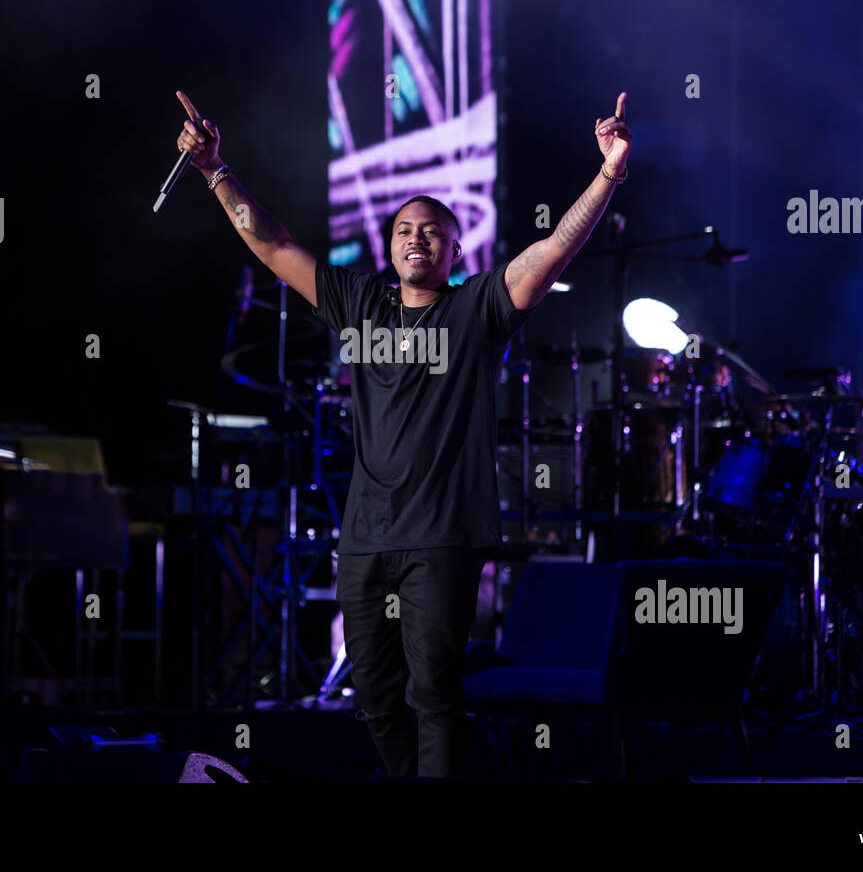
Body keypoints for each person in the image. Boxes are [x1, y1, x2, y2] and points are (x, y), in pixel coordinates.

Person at [174, 88, 632, 777]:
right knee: (378, 699)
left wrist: (608, 173)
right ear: (390, 247)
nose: (417, 237)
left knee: (434, 694)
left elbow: (555, 250)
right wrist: (215, 170)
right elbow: (272, 244)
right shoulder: (358, 302)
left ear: (454, 247)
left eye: (432, 231)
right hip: (365, 535)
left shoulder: (479, 305)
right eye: (404, 230)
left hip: (445, 533)